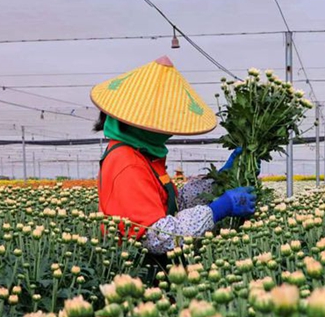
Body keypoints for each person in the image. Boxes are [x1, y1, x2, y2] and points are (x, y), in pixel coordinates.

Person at [91, 56, 255, 271]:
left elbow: (173, 205)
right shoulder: (127, 162)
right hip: (141, 275)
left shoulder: (142, 154)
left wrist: (219, 181)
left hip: (158, 268)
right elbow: (159, 236)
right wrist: (216, 210)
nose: (168, 129)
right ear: (137, 121)